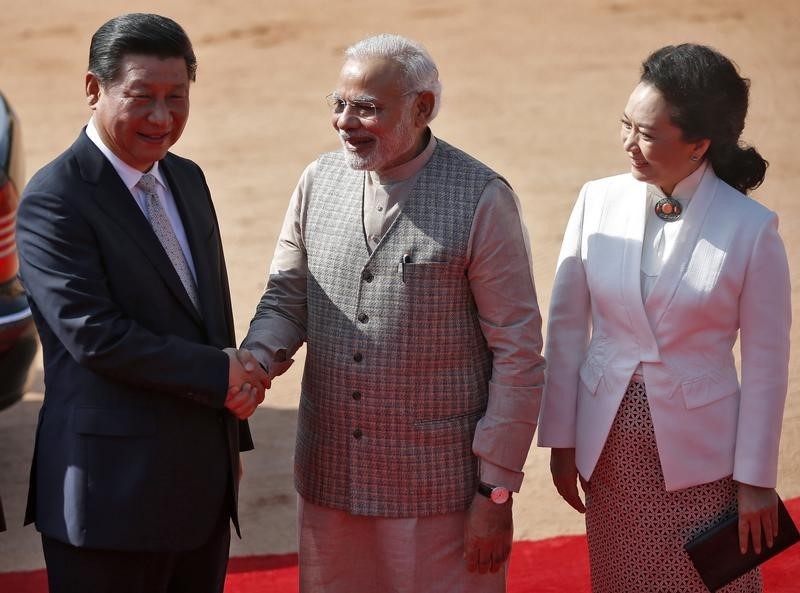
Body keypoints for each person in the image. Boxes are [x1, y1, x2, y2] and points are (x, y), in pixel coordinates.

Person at [240, 33, 545, 592]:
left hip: (439, 496)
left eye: (368, 108)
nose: (346, 122)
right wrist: (257, 360)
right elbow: (287, 298)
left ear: (422, 107)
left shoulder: (482, 197)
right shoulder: (317, 181)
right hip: (331, 479)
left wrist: (495, 492)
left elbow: (518, 354)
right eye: (339, 103)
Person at [15, 13, 268, 593]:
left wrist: (234, 433)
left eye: (176, 97)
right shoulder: (55, 199)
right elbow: (94, 335)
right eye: (142, 97)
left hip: (202, 492)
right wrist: (221, 373)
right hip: (111, 501)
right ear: (92, 89)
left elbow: (211, 314)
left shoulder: (187, 178)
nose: (162, 117)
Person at [537, 43, 791, 592]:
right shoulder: (596, 200)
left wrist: (756, 480)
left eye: (648, 134)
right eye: (626, 125)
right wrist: (561, 438)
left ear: (699, 144)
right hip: (608, 449)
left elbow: (767, 365)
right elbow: (565, 331)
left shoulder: (751, 229)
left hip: (706, 461)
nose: (629, 144)